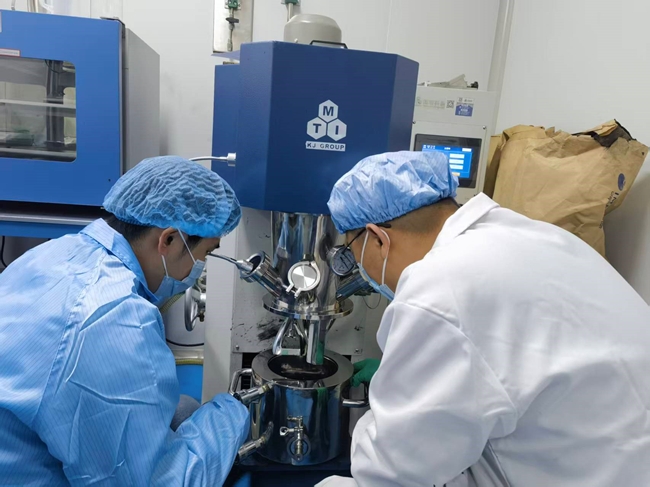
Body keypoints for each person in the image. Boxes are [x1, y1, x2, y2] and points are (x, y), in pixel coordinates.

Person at [317, 151, 650, 487]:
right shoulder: (534, 235)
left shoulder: (436, 287)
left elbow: (392, 472)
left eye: (354, 255)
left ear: (377, 238)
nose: (362, 271)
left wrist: (384, 402)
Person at [0, 156, 250, 486]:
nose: (199, 269)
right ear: (169, 240)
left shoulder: (56, 252)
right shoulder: (116, 320)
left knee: (182, 408)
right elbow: (164, 482)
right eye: (204, 254)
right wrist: (235, 411)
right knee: (194, 415)